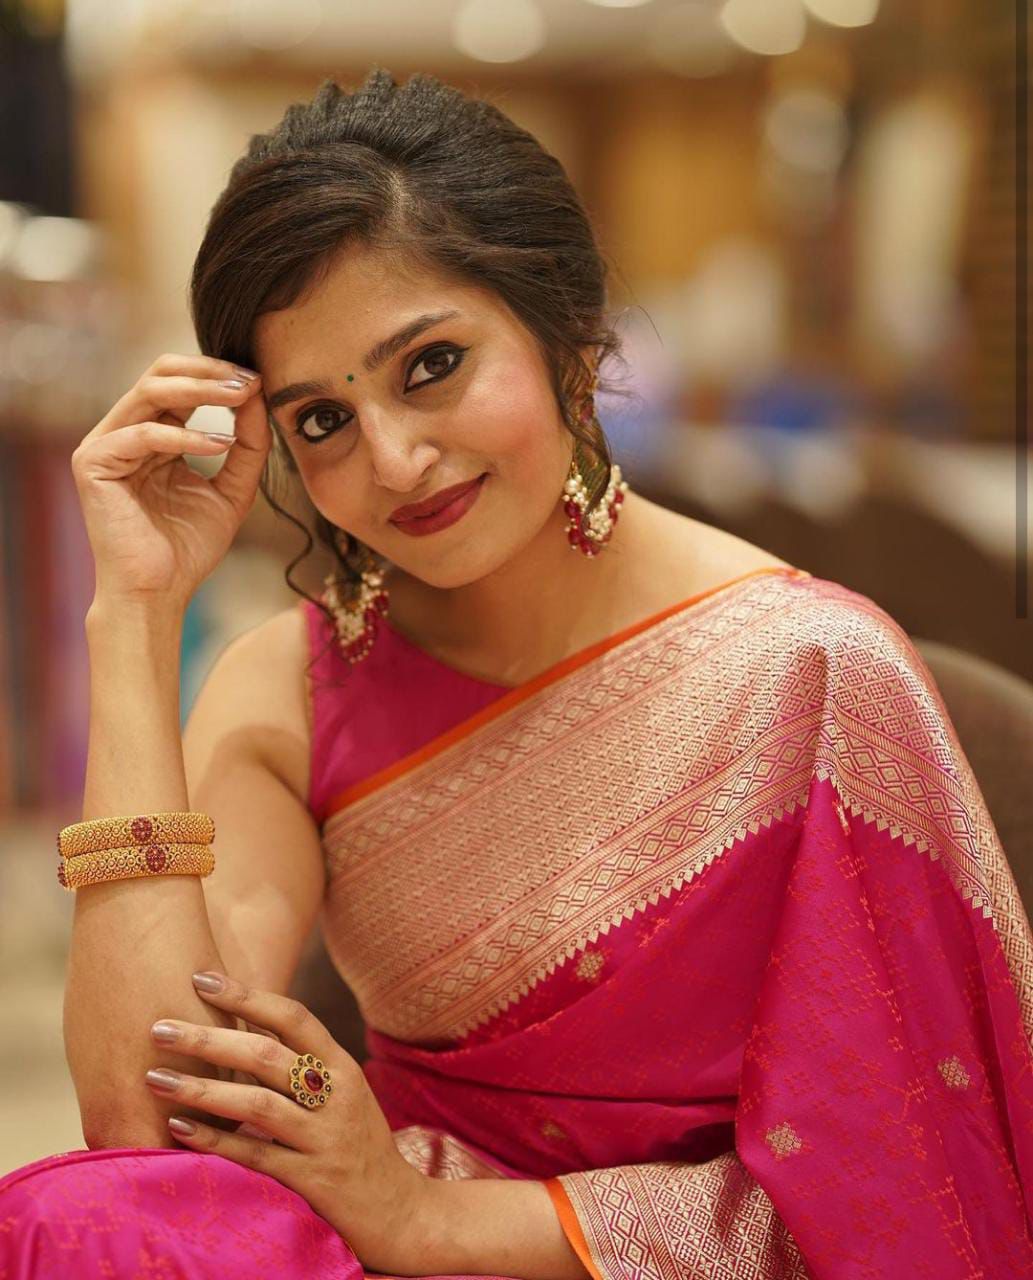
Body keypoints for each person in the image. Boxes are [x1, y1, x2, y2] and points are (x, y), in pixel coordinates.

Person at [2, 67, 1032, 1280]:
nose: (394, 459)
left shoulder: (810, 674)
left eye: (430, 364)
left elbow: (911, 1186)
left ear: (568, 335)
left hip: (656, 1258)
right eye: (322, 420)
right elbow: (150, 1120)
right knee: (76, 1227)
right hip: (382, 1234)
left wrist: (431, 1219)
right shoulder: (294, 686)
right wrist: (132, 614)